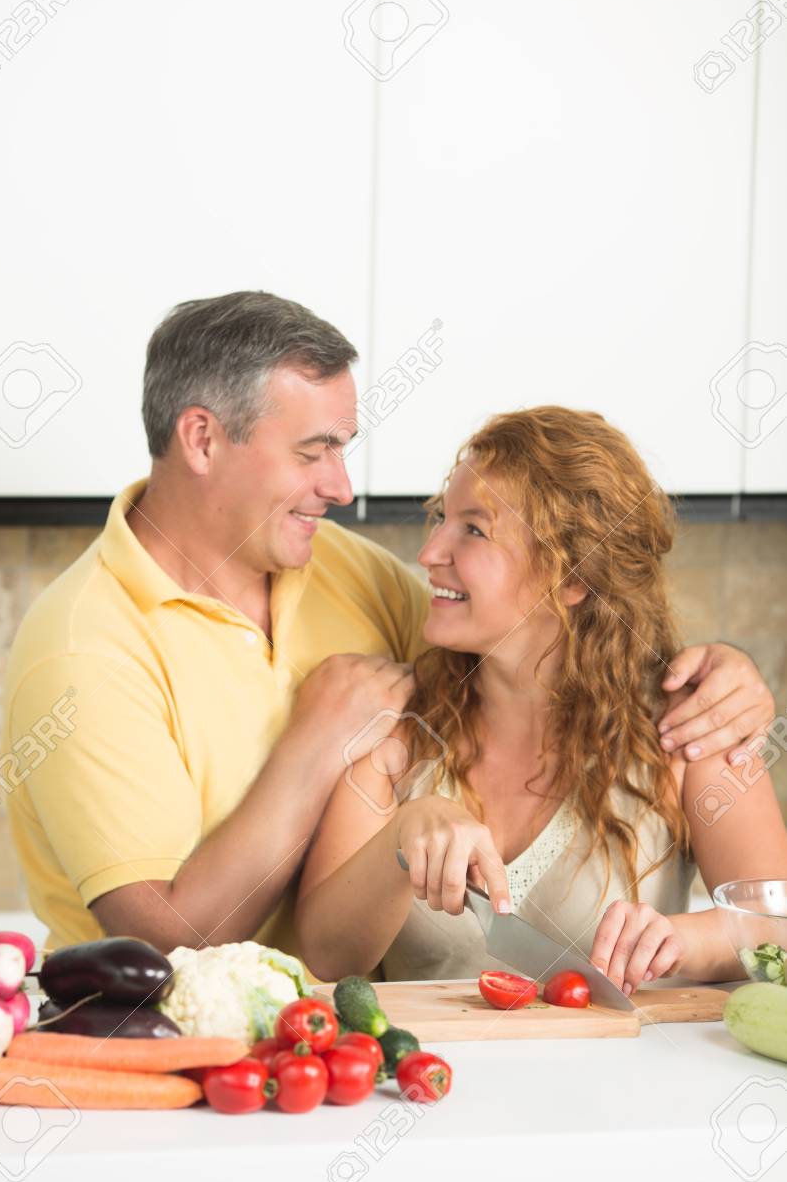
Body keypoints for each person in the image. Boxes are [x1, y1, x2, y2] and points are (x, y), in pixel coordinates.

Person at [3, 293, 774, 965]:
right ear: (202, 439)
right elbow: (166, 947)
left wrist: (727, 676)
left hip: (341, 1047)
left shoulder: (344, 571)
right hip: (162, 1044)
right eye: (314, 452)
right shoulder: (86, 647)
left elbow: (521, 629)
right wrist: (314, 746)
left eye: (343, 449)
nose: (342, 488)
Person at [294, 407, 787, 992]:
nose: (429, 553)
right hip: (426, 1057)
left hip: (630, 1058)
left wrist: (685, 941)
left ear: (573, 577)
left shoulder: (689, 730)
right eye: (442, 519)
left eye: (473, 530)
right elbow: (328, 955)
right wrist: (403, 834)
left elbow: (778, 931)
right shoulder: (394, 729)